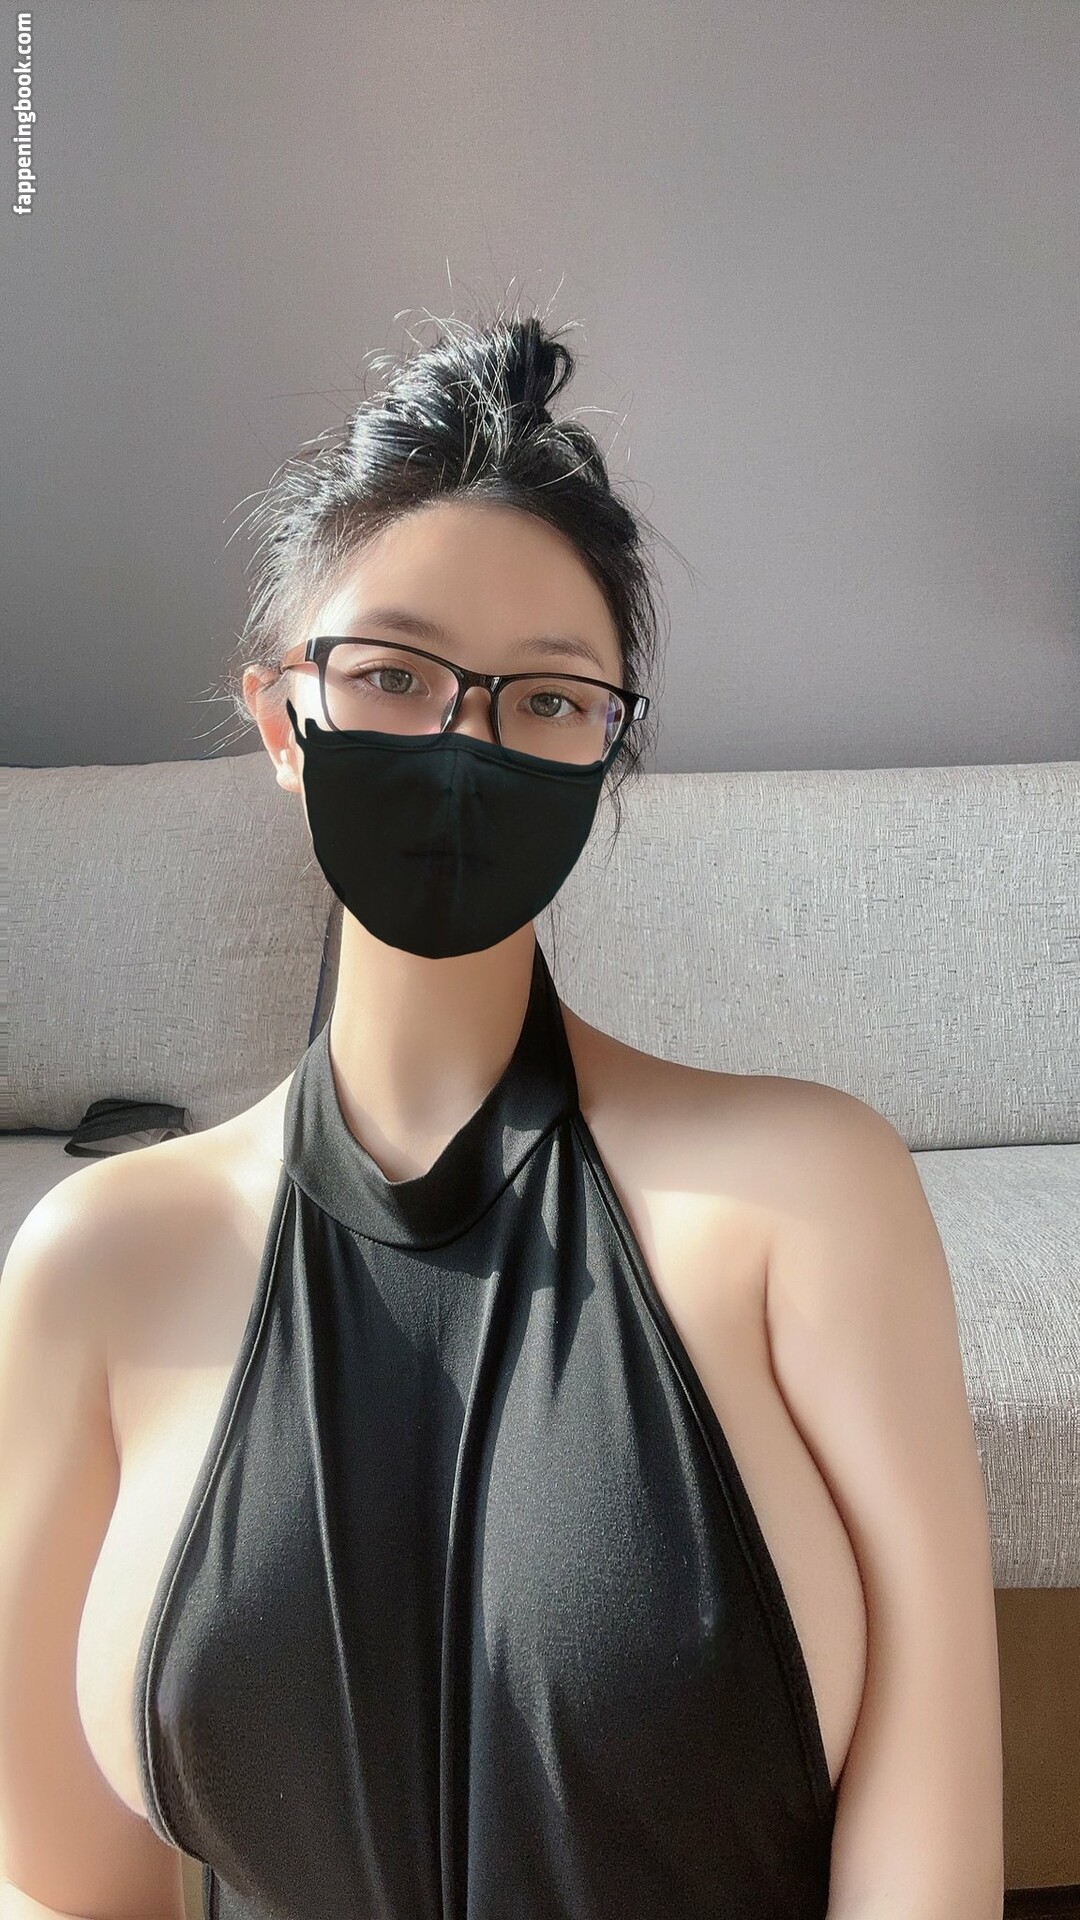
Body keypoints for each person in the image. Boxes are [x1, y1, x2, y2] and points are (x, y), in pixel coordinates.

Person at [0, 308, 1002, 1920]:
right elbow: (62, 1887)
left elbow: (931, 1868)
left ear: (603, 752)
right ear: (284, 721)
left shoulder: (810, 1202)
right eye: (394, 676)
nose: (463, 742)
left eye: (543, 699)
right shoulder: (92, 1265)